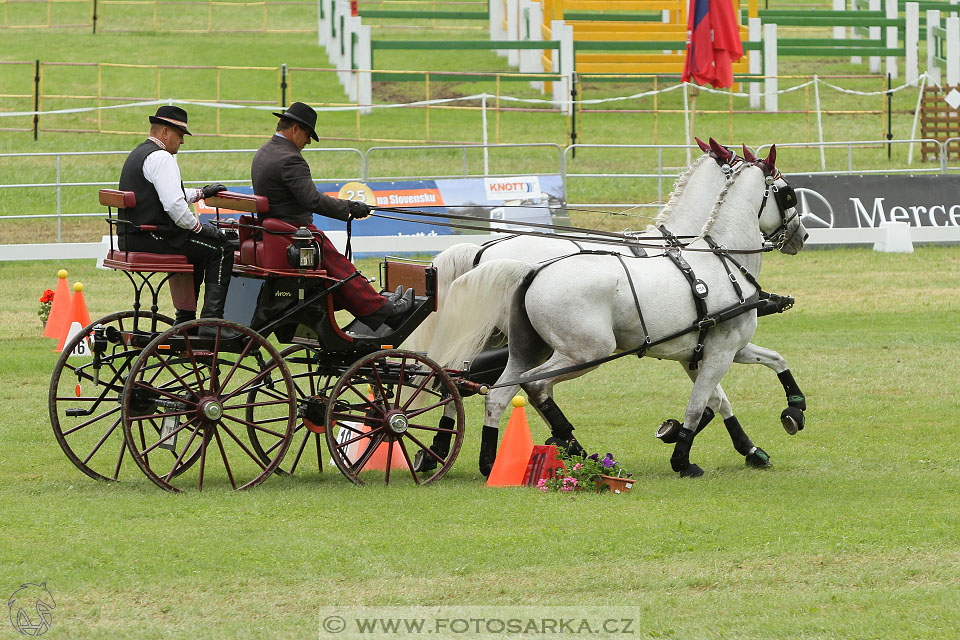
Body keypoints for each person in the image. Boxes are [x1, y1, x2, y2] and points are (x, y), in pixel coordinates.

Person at [250, 101, 413, 331]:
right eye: (307, 135)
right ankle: (382, 310)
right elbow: (312, 200)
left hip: (274, 231)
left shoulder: (264, 151)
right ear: (295, 128)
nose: (307, 142)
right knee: (340, 269)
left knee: (337, 269)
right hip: (293, 232)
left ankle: (377, 303)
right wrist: (349, 207)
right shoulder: (290, 158)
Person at [117, 105, 232, 329]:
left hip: (132, 236)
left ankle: (186, 318)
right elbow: (173, 205)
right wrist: (199, 228)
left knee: (199, 249)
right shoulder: (162, 158)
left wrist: (201, 193)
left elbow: (165, 197)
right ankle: (211, 323)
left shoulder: (139, 154)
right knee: (220, 248)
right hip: (154, 238)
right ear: (165, 133)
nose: (182, 141)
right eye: (180, 135)